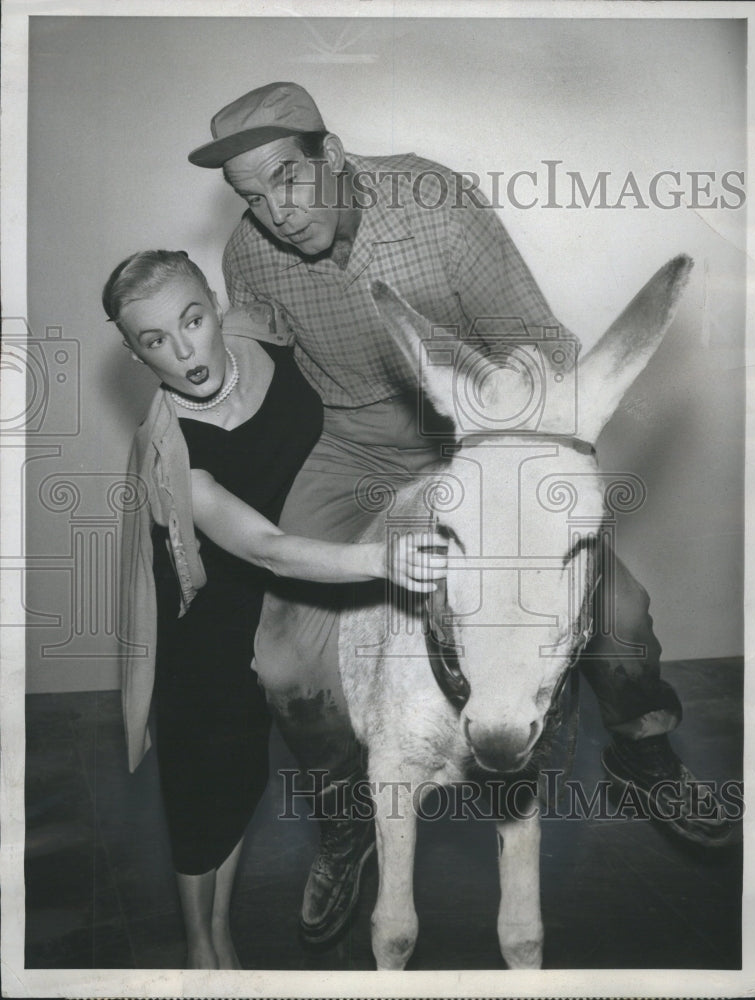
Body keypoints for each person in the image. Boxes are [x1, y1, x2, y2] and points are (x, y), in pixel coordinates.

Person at [186, 81, 734, 945]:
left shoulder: (436, 207)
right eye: (250, 197)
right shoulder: (253, 254)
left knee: (615, 610)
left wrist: (514, 453)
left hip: (478, 440)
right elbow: (249, 357)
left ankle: (641, 749)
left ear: (331, 153)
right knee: (284, 659)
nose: (274, 212)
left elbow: (538, 340)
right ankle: (345, 818)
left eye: (286, 180)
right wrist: (176, 410)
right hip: (353, 448)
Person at [109, 250, 446, 969]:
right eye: (154, 341)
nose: (182, 350)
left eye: (191, 321)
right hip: (209, 617)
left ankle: (330, 844)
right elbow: (262, 547)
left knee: (272, 764)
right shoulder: (166, 452)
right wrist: (382, 562)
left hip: (305, 583)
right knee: (210, 784)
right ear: (133, 352)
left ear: (215, 305)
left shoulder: (271, 336)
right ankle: (206, 946)